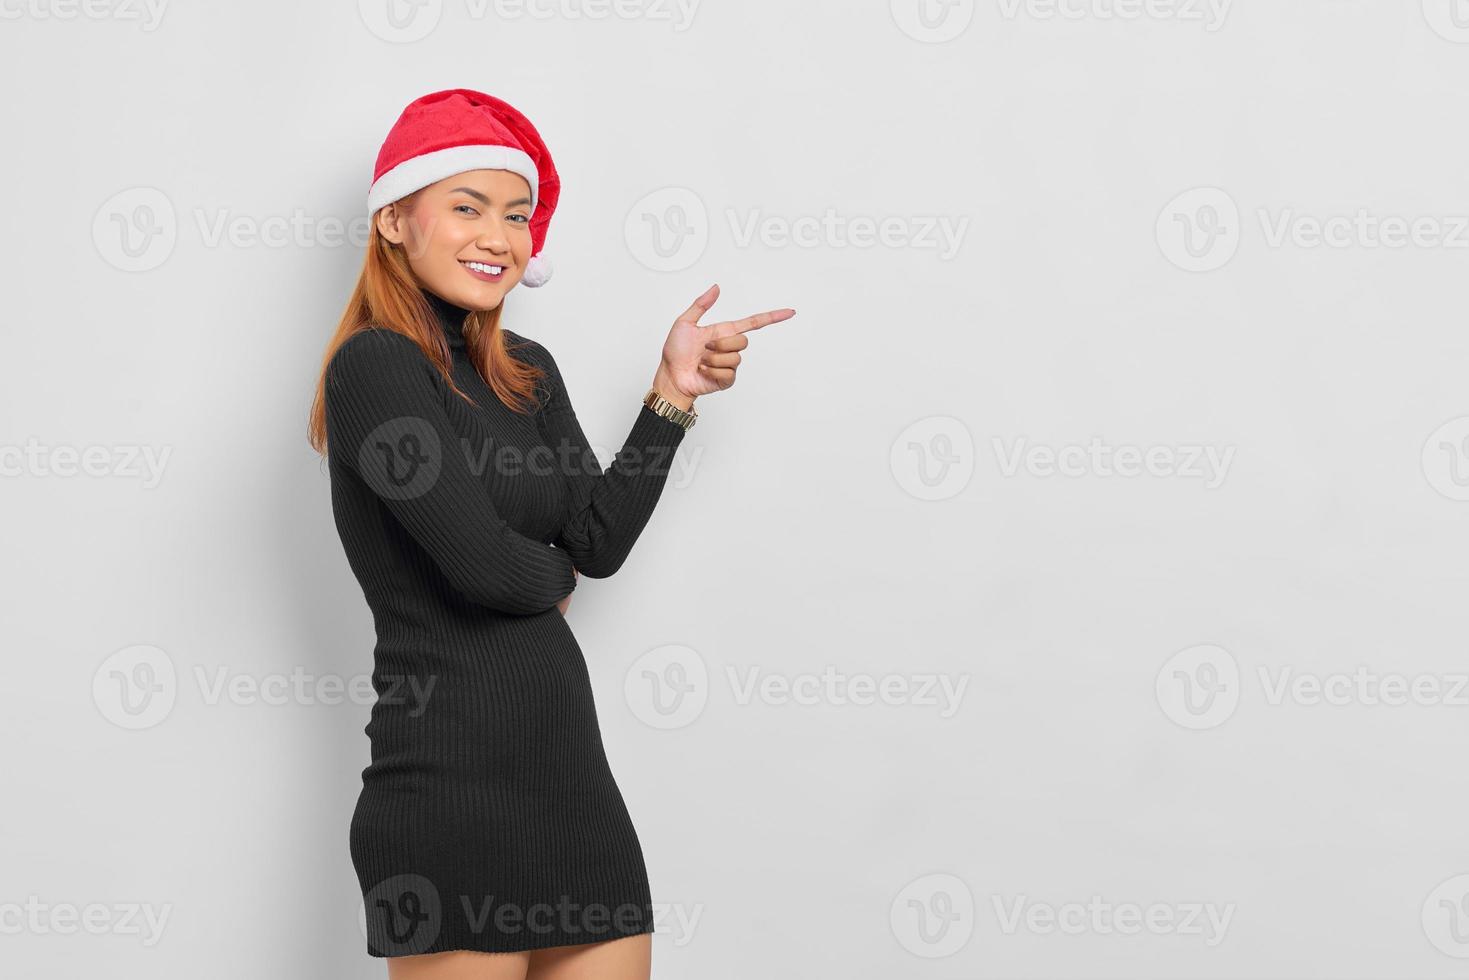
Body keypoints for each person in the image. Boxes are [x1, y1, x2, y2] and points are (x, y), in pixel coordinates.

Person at [306, 88, 795, 979]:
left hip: (572, 789)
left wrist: (672, 393)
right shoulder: (374, 366)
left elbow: (596, 546)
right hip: (446, 792)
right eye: (467, 207)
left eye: (518, 215)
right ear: (393, 221)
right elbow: (487, 572)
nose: (499, 235)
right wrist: (547, 573)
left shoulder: (528, 369)